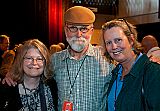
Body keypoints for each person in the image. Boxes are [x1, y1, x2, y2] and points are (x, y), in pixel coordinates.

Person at [50, 6, 114, 111]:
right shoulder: (55, 60)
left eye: (84, 29)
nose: (79, 34)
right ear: (66, 30)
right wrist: (14, 76)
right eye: (73, 28)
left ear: (91, 31)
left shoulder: (107, 59)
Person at [102, 19, 160, 111]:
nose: (114, 47)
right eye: (109, 43)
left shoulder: (153, 72)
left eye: (118, 40)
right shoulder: (115, 73)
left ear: (131, 40)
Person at [0, 39, 58, 111]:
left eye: (39, 59)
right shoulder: (8, 89)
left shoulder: (52, 86)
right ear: (21, 61)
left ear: (45, 62)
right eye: (29, 58)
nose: (34, 63)